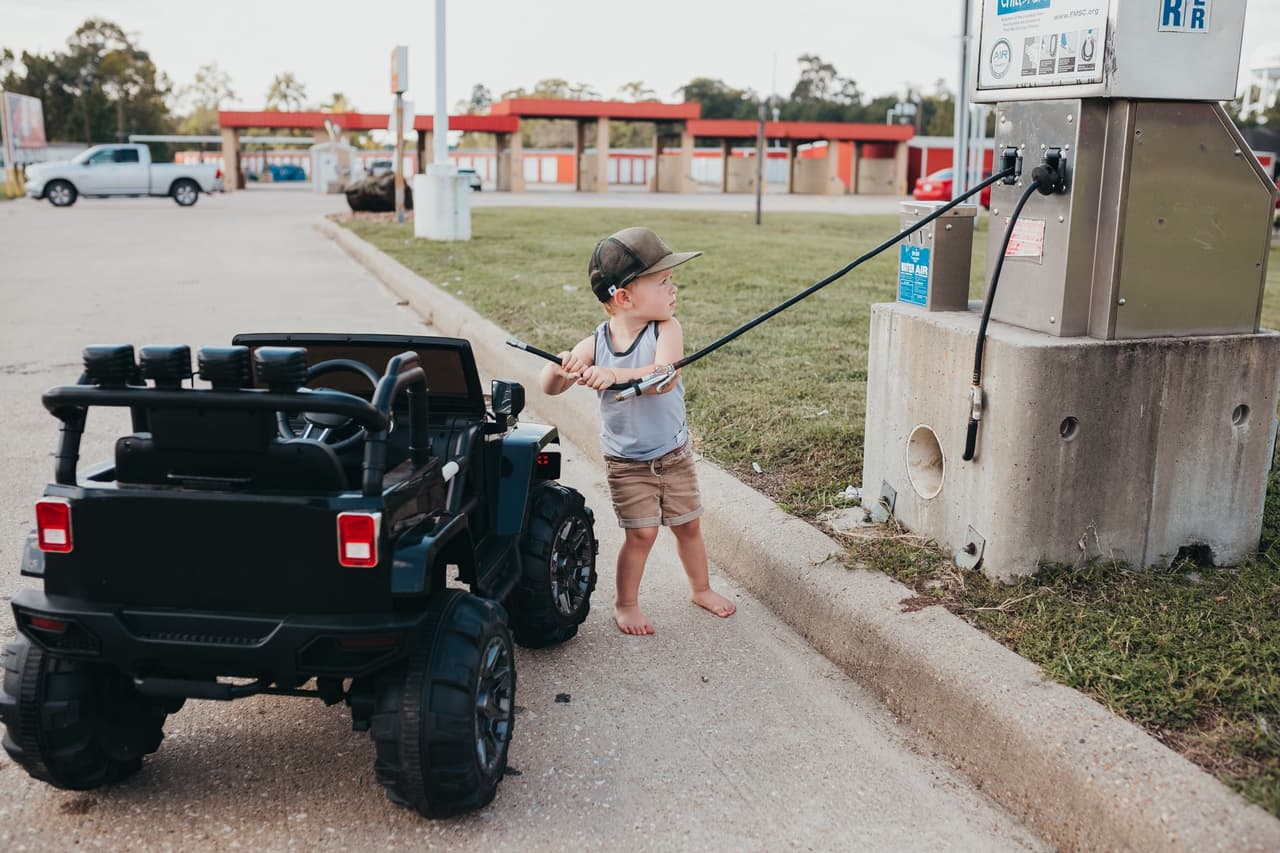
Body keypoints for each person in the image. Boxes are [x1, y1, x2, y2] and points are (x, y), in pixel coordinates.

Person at [539, 226, 737, 636]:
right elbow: (549, 386)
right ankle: (626, 603)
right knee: (642, 533)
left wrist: (613, 374)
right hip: (626, 461)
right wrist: (563, 369)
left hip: (673, 452)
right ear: (624, 297)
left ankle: (700, 588)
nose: (673, 288)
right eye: (662, 281)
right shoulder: (597, 341)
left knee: (688, 525)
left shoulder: (666, 329)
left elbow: (663, 377)